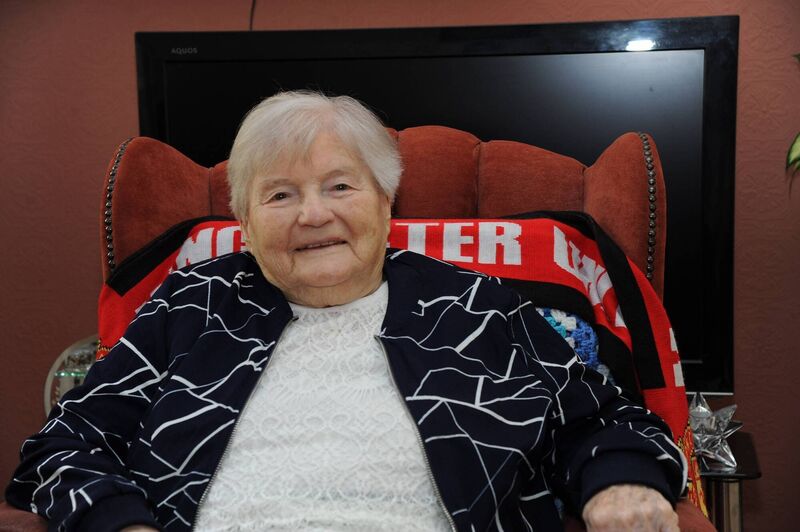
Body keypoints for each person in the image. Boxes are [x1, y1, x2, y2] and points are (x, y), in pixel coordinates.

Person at [6, 91, 686, 531]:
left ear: (386, 202)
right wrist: (119, 523)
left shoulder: (475, 307)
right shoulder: (191, 304)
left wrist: (617, 482)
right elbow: (65, 443)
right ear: (243, 220)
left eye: (339, 185)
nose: (313, 214)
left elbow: (605, 417)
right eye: (279, 195)